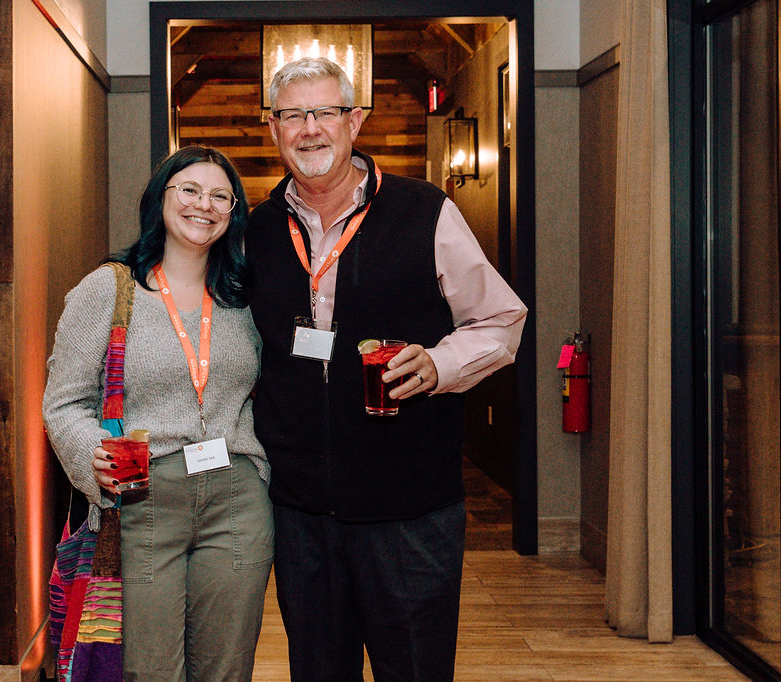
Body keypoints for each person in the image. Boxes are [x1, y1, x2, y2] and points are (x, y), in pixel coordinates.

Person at [244, 58, 528, 681]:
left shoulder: (425, 210)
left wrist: (441, 363)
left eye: (325, 112)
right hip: (301, 515)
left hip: (409, 512)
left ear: (355, 122)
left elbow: (502, 319)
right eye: (293, 115)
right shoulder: (258, 230)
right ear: (273, 128)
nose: (310, 129)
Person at [43, 145, 273, 681]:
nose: (204, 205)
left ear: (234, 211)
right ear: (160, 198)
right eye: (189, 190)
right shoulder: (110, 288)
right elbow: (64, 401)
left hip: (237, 499)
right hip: (145, 497)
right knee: (149, 669)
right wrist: (94, 455)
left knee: (227, 668)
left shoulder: (245, 297)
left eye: (220, 196)